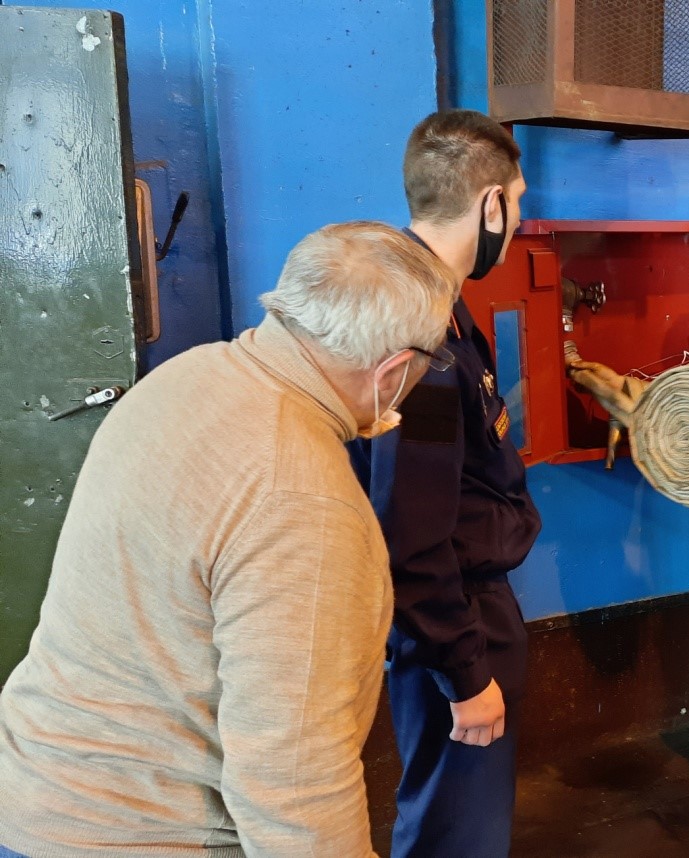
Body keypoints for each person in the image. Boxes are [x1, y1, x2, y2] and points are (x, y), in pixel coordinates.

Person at [0, 222, 457, 856]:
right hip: (145, 835)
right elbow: (294, 780)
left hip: (34, 795)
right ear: (394, 370)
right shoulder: (304, 502)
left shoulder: (185, 377)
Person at [350, 109, 541, 858]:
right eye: (517, 202)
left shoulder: (428, 301)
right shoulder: (423, 335)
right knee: (458, 826)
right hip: (454, 618)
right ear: (491, 205)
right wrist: (465, 673)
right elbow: (410, 534)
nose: (518, 223)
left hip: (452, 611)